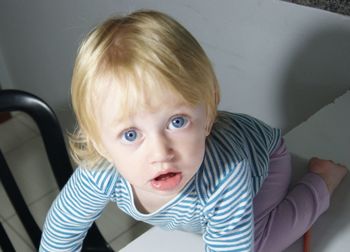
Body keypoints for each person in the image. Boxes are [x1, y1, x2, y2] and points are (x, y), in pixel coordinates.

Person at [40, 10, 347, 252]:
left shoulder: (226, 174)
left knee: (260, 244)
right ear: (100, 144)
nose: (161, 152)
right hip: (202, 209)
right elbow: (62, 227)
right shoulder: (101, 172)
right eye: (131, 135)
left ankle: (322, 182)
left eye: (177, 121)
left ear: (209, 111)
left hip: (264, 163)